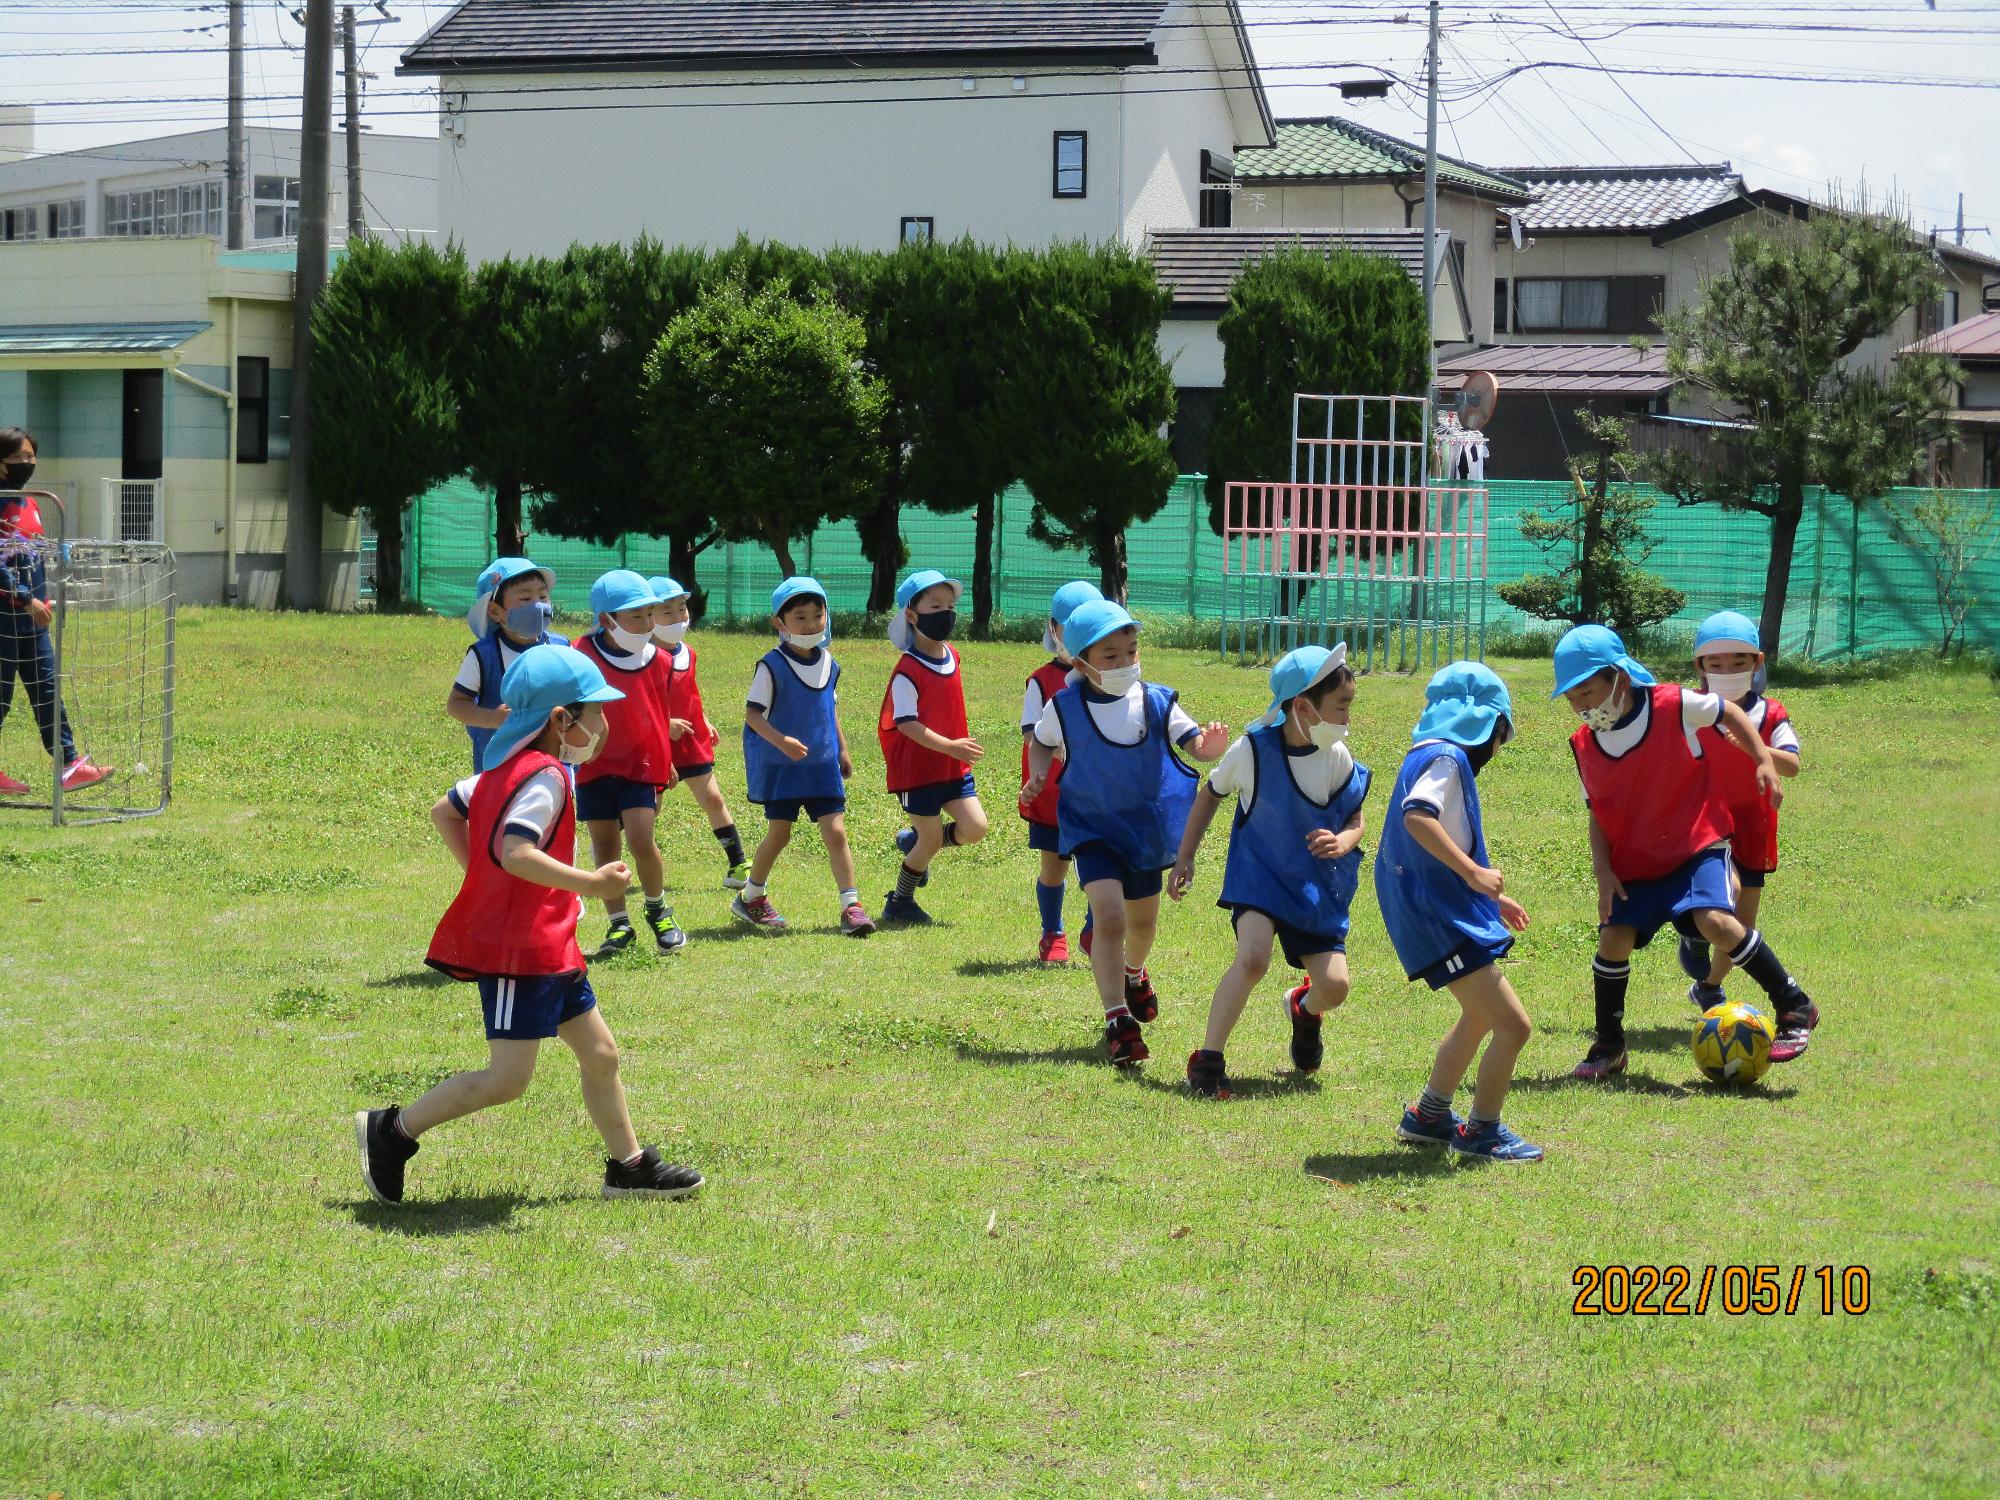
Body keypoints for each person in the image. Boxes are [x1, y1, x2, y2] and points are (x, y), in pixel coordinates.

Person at [354, 643, 703, 1206]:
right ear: (561, 720)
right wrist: (589, 883)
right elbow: (516, 851)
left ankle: (629, 1166)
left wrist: (483, 875)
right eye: (597, 712)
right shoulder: (547, 777)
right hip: (520, 948)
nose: (605, 723)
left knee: (601, 1054)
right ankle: (392, 1132)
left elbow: (448, 810)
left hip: (549, 942)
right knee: (508, 1079)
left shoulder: (505, 766)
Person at [1554, 624, 1819, 1078]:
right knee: (1613, 941)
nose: (1581, 705)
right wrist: (1603, 871)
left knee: (1714, 920)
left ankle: (1794, 1004)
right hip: (1636, 862)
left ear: (1619, 677)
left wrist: (1761, 759)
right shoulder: (1584, 745)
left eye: (1587, 691)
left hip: (1699, 843)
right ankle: (1609, 1046)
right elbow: (1597, 813)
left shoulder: (1673, 705)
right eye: (1571, 697)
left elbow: (1730, 715)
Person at [1022, 600, 1229, 1066]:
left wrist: (1207, 746)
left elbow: (1192, 741)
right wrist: (1036, 774)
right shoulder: (1065, 705)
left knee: (1143, 925)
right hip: (1092, 830)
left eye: (1131, 652)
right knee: (1110, 920)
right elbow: (1041, 740)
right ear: (1081, 663)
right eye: (1110, 656)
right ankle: (1118, 1020)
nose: (1124, 663)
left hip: (1145, 832)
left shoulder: (1157, 699)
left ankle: (1134, 974)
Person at [1170, 645, 1368, 1100]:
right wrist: (1186, 856)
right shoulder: (1251, 751)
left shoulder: (1336, 754)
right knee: (1253, 957)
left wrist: (1343, 842)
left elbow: (1356, 818)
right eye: (1340, 706)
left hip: (1314, 886)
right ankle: (1209, 1059)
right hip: (1258, 878)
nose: (1347, 717)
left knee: (1335, 986)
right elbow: (1211, 793)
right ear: (1301, 707)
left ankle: (1304, 1009)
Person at [1375, 663, 1542, 1162]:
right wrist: (1473, 874)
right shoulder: (1448, 760)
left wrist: (1489, 897)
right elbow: (1419, 819)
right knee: (1514, 1026)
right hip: (1438, 917)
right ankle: (1483, 1132)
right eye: (1501, 736)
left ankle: (1429, 1114)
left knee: (1478, 1015)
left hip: (1433, 909)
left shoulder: (1424, 753)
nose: (1497, 749)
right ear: (1488, 725)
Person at [734, 577, 874, 937]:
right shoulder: (771, 665)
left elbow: (830, 709)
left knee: (837, 833)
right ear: (779, 623)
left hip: (822, 767)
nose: (811, 624)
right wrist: (782, 742)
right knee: (779, 835)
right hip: (784, 768)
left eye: (818, 614)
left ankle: (851, 906)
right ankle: (751, 897)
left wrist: (841, 749)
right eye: (800, 617)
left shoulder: (831, 663)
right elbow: (753, 716)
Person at [1676, 611, 1802, 1006]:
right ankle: (1695, 933)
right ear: (1700, 666)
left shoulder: (1771, 713)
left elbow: (1792, 764)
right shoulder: (1689, 710)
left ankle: (1708, 985)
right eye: (1716, 663)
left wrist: (1753, 747)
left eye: (1738, 662)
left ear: (1757, 663)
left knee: (1743, 925)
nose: (1727, 669)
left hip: (1754, 826)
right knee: (1723, 892)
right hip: (1706, 825)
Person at [571, 570, 685, 956]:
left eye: (650, 614)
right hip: (594, 763)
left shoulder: (660, 660)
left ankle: (657, 908)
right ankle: (619, 924)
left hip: (641, 763)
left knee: (641, 839)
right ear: (606, 620)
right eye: (636, 616)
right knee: (605, 844)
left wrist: (666, 760)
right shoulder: (580, 653)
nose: (647, 624)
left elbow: (659, 711)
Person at [0, 427, 108, 794]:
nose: (26, 464)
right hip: (6, 616)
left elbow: (30, 550)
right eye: (17, 458)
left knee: (47, 689)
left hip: (34, 617)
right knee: (0, 696)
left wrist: (53, 556)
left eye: (30, 457)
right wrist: (23, 597)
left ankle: (70, 764)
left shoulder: (30, 502)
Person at [879, 569, 987, 925]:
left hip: (951, 768)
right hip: (918, 772)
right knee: (930, 840)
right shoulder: (907, 669)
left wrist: (953, 752)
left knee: (975, 828)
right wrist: (951, 746)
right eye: (935, 605)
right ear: (912, 615)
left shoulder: (953, 654)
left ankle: (916, 843)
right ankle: (899, 902)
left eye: (951, 605)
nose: (946, 613)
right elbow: (907, 724)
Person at [647, 575, 750, 891]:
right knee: (651, 808)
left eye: (682, 609)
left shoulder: (688, 653)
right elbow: (641, 705)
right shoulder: (643, 658)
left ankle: (738, 863)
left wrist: (702, 719)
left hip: (690, 737)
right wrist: (664, 727)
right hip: (655, 742)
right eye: (669, 612)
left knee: (713, 798)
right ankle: (640, 859)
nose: (679, 618)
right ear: (647, 616)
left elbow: (688, 691)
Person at [1020, 581, 1101, 964]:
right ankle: (1052, 932)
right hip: (1053, 794)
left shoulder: (1109, 679)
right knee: (1054, 868)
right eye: (1071, 627)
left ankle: (1093, 928)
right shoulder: (1040, 681)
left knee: (1099, 868)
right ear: (1054, 629)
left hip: (1099, 796)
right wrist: (1061, 753)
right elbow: (1031, 734)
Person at [446, 555, 567, 772]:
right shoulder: (484, 656)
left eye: (543, 596)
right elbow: (456, 704)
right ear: (495, 612)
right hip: (498, 769)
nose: (538, 605)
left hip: (554, 768)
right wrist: (492, 718)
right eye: (525, 599)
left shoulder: (562, 648)